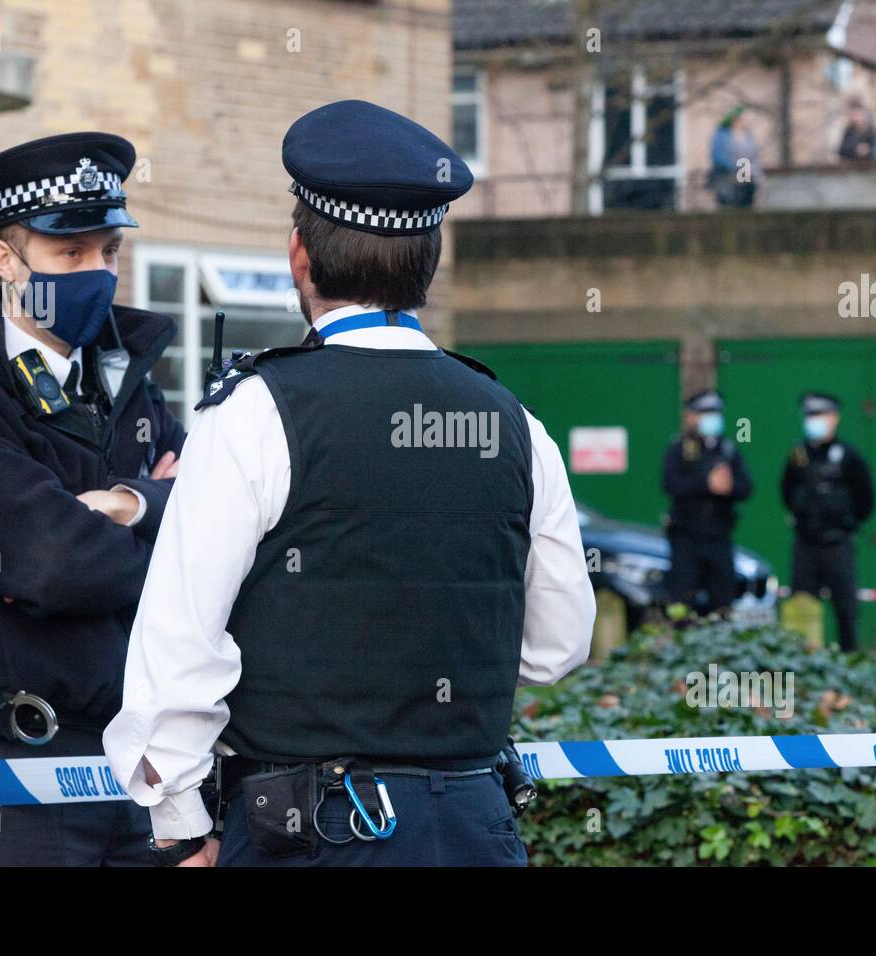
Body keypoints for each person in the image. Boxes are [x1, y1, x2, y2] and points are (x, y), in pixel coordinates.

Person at [103, 100, 596, 868]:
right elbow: (557, 646)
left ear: (300, 255)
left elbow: (178, 646)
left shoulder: (253, 416)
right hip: (473, 823)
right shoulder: (516, 425)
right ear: (427, 263)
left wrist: (179, 821)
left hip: (309, 832)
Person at [0, 132, 187, 865]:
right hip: (5, 787)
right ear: (6, 259)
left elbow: (226, 534)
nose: (96, 272)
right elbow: (50, 562)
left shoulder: (131, 385)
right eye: (69, 254)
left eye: (107, 251)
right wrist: (165, 514)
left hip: (142, 771)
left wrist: (120, 506)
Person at [780, 393, 876, 652]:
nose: (815, 421)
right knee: (802, 606)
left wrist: (846, 522)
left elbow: (866, 498)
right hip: (806, 543)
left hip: (837, 543)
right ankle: (801, 663)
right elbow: (786, 491)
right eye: (810, 416)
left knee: (846, 608)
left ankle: (848, 660)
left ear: (835, 418)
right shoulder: (798, 455)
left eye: (821, 416)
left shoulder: (848, 456)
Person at [661, 389, 753, 614]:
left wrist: (729, 487)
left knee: (723, 602)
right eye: (704, 412)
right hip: (686, 538)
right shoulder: (678, 449)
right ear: (690, 416)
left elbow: (746, 487)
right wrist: (706, 483)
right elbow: (670, 485)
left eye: (715, 412)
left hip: (719, 536)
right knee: (683, 601)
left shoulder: (728, 448)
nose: (711, 418)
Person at [708, 105, 761, 207]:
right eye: (741, 119)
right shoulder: (721, 136)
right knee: (729, 205)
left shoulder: (748, 136)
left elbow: (754, 157)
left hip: (746, 177)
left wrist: (754, 172)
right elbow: (718, 157)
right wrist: (736, 167)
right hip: (727, 177)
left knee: (746, 205)